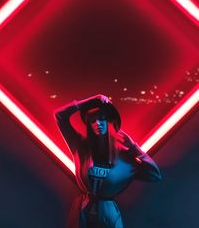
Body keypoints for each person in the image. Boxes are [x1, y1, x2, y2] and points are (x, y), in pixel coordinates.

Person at [55, 94, 161, 228]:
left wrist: (134, 147)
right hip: (82, 211)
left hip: (108, 215)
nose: (97, 123)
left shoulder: (123, 155)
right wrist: (90, 101)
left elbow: (155, 175)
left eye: (101, 119)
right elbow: (59, 116)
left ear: (110, 122)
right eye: (92, 120)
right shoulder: (81, 146)